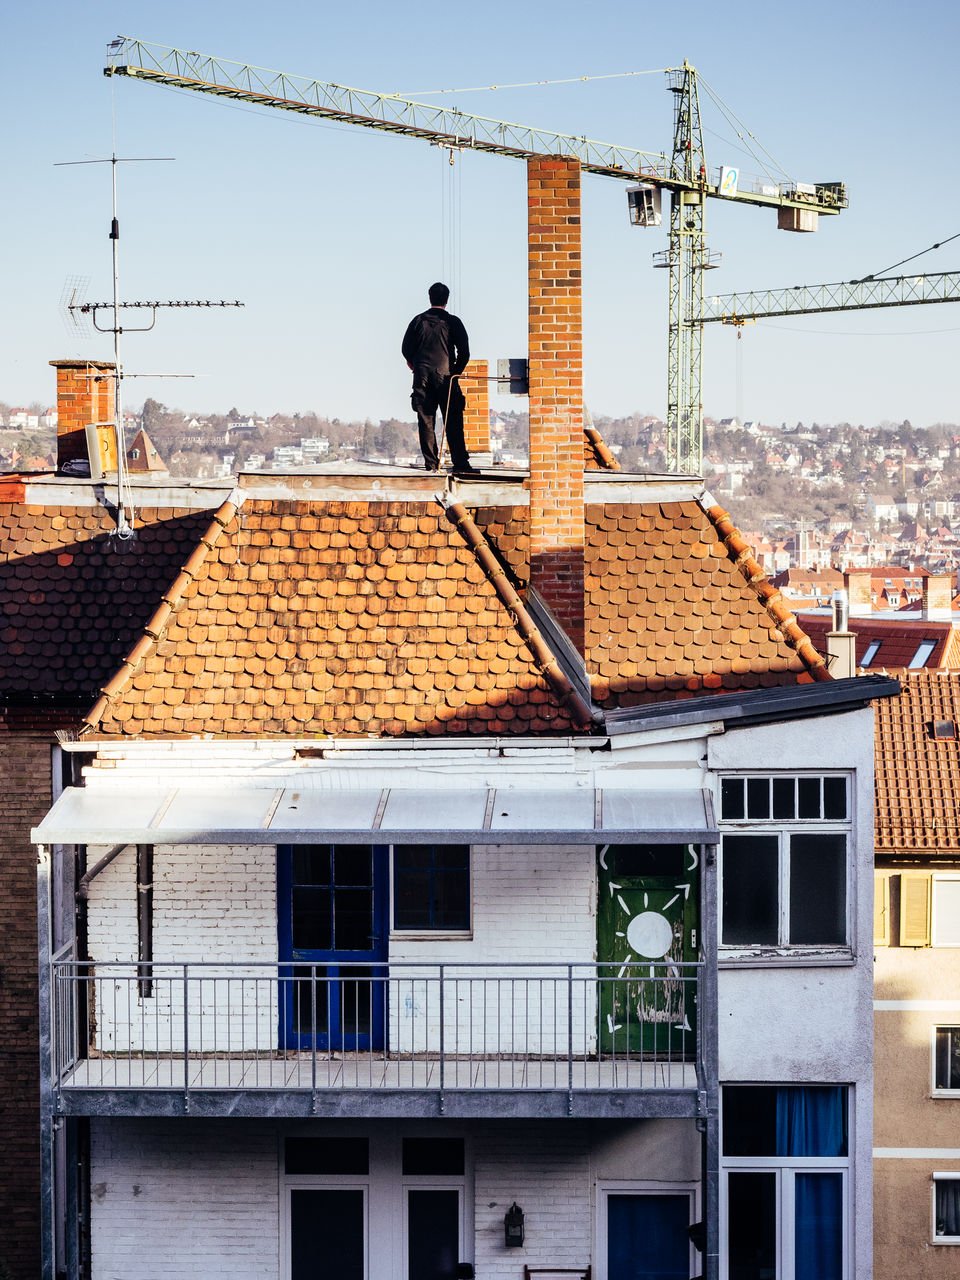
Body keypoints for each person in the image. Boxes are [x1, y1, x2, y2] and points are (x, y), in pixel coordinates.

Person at [402, 282, 478, 473]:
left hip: (422, 377)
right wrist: (455, 373)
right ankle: (460, 464)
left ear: (430, 297)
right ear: (446, 300)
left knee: (426, 420)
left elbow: (405, 349)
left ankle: (431, 464)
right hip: (446, 378)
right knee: (452, 421)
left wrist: (416, 366)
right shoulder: (453, 322)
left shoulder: (417, 321)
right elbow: (465, 352)